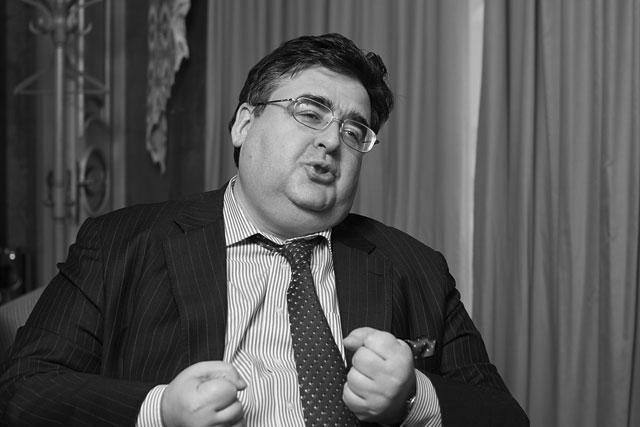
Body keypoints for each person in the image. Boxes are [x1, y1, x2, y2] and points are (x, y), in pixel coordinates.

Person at [0, 33, 528, 426]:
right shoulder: (121, 242)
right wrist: (159, 411)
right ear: (244, 124)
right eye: (310, 112)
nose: (332, 141)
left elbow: (505, 415)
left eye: (354, 130)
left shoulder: (416, 267)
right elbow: (23, 391)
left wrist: (414, 397)